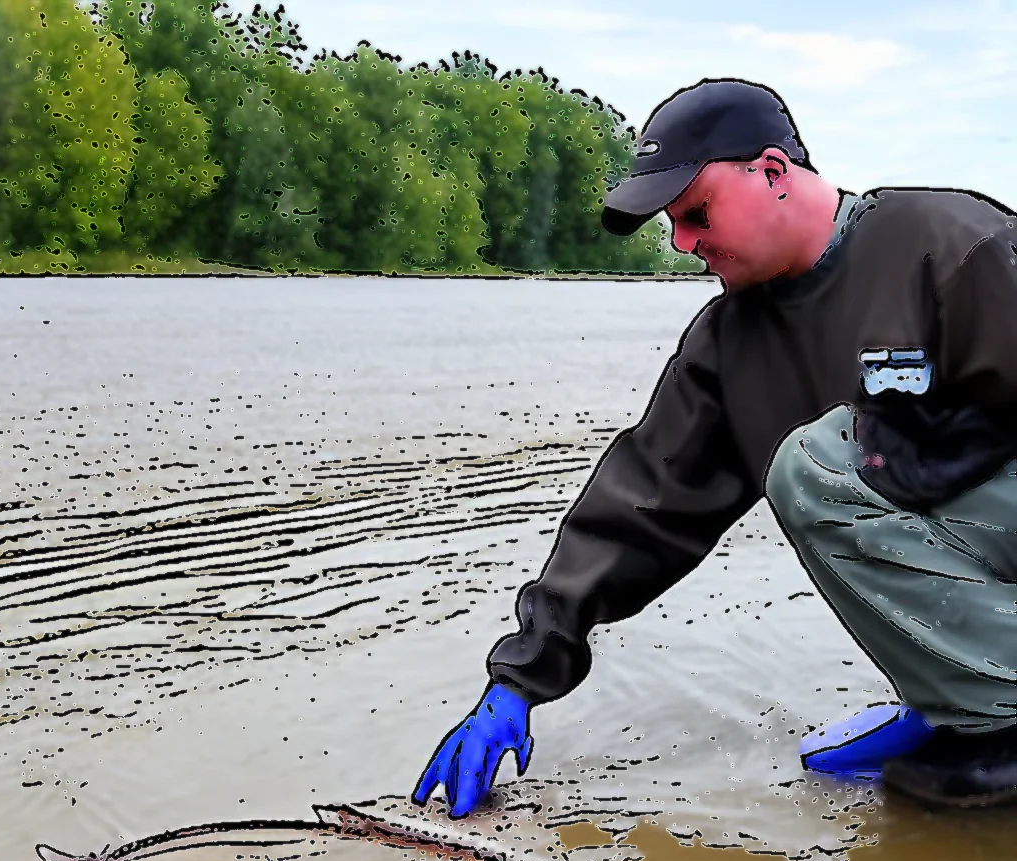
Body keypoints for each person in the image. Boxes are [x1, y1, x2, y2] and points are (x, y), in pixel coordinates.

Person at [413, 78, 1017, 815]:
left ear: (771, 172)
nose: (683, 243)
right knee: (833, 471)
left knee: (819, 463)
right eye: (672, 224)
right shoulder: (726, 346)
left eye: (697, 214)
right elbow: (637, 505)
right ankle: (962, 702)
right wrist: (515, 683)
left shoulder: (950, 243)